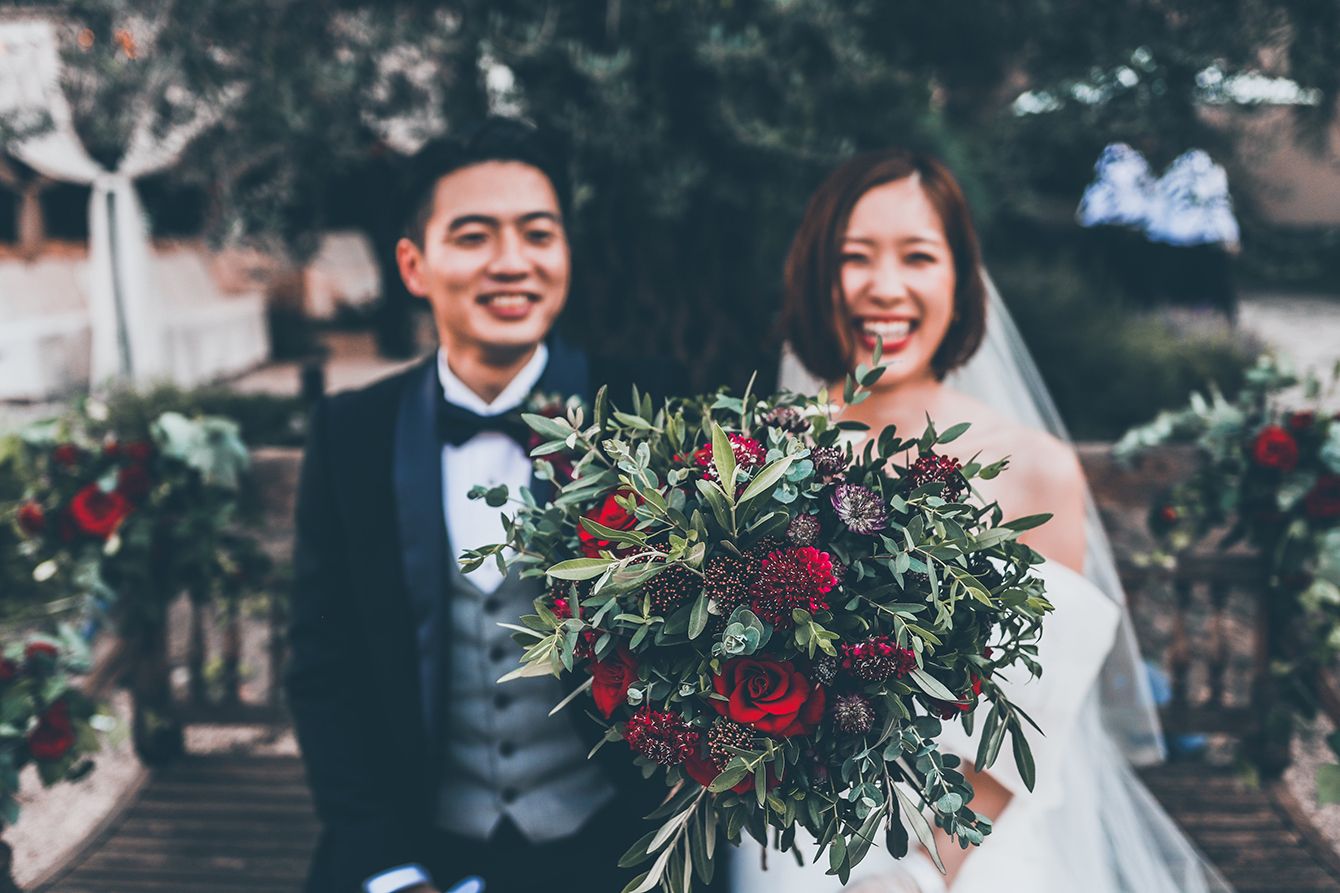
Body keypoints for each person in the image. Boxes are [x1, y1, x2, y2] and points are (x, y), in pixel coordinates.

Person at [752, 149, 1231, 892]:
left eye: (917, 255)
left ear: (959, 280)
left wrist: (915, 874)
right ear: (820, 276)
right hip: (791, 838)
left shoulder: (1033, 469)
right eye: (855, 257)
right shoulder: (764, 456)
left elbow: (1028, 723)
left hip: (967, 844)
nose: (886, 286)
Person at [286, 118, 664, 893]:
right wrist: (391, 869)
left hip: (618, 848)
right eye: (473, 236)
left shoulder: (652, 413)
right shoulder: (350, 434)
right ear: (414, 265)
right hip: (418, 846)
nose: (512, 262)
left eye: (538, 233)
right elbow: (324, 668)